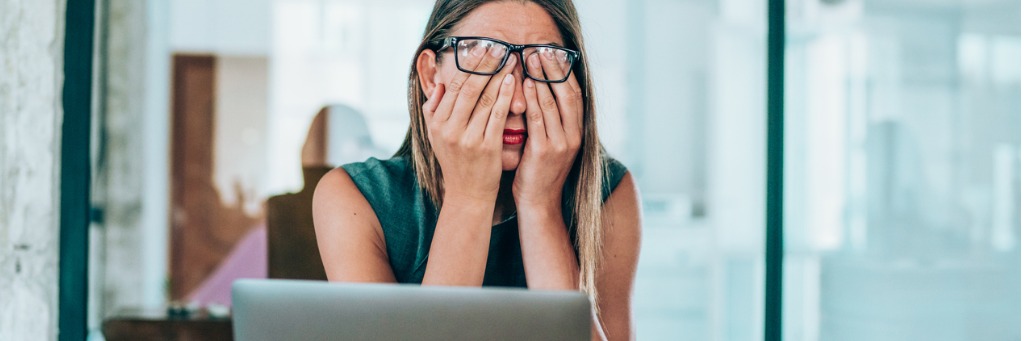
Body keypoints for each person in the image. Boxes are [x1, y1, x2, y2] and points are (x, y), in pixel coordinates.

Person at [312, 1, 642, 340]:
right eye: (486, 56)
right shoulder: (355, 199)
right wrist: (469, 197)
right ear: (430, 74)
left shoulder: (610, 193)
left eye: (545, 61)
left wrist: (540, 205)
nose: (517, 103)